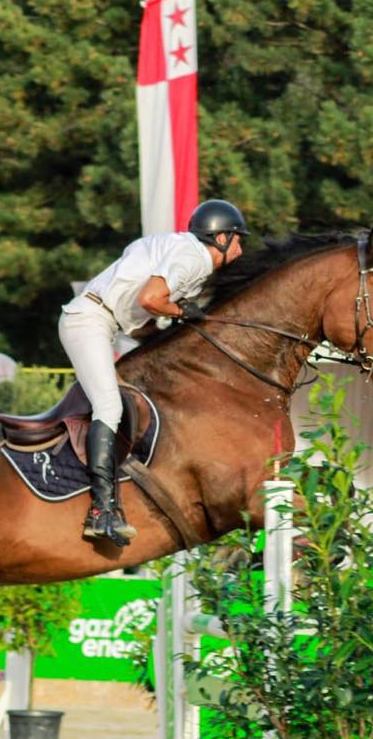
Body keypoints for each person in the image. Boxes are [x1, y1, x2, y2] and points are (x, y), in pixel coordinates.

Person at [59, 199, 250, 547]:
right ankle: (101, 512)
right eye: (237, 239)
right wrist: (182, 311)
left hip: (108, 323)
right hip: (90, 321)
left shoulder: (178, 248)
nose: (240, 248)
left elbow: (141, 312)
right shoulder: (194, 256)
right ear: (219, 237)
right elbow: (151, 299)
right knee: (110, 408)